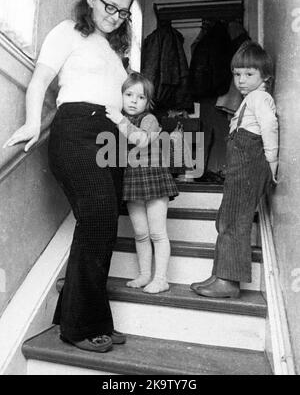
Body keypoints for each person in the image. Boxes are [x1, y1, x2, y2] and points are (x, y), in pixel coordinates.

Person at [3, 0, 135, 352]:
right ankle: (78, 329)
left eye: (123, 12)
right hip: (77, 129)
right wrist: (32, 122)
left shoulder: (112, 51)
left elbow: (116, 103)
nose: (114, 15)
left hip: (110, 134)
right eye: (109, 5)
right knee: (96, 219)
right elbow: (42, 79)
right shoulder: (67, 31)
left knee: (105, 226)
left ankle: (83, 316)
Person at [190, 41, 278, 298]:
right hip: (240, 168)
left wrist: (272, 160)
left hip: (250, 166)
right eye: (237, 74)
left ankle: (228, 282)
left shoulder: (261, 97)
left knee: (235, 222)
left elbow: (270, 127)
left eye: (249, 74)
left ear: (265, 77)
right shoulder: (248, 100)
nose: (241, 80)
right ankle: (219, 274)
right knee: (225, 220)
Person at [105, 72, 179, 294]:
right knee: (141, 233)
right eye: (129, 94)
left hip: (154, 179)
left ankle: (161, 278)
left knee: (157, 233)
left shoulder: (148, 119)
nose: (134, 101)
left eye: (140, 97)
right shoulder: (121, 119)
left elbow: (142, 139)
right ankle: (145, 274)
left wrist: (119, 119)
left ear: (148, 102)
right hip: (133, 180)